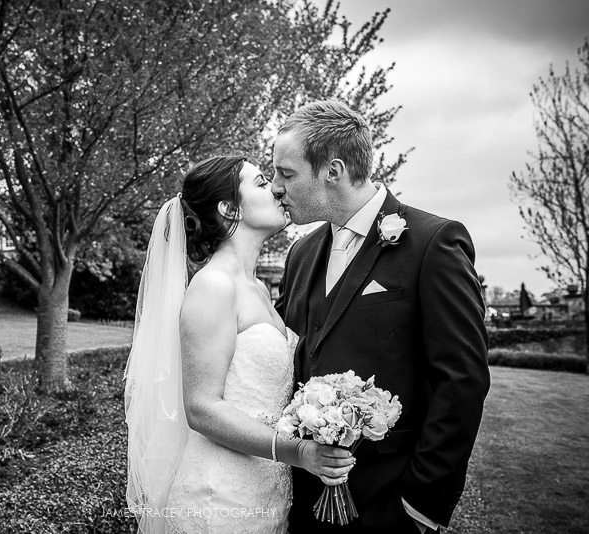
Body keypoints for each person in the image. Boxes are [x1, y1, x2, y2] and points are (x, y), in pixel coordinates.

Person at [271, 100, 491, 533]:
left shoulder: (433, 243)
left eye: (286, 173)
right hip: (300, 496)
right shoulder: (300, 253)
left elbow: (462, 378)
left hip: (389, 503)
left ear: (332, 171)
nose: (275, 186)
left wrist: (420, 505)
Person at [124, 155, 355, 534]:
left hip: (267, 489)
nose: (278, 189)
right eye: (262, 182)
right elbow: (201, 408)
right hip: (220, 497)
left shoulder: (260, 289)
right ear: (230, 208)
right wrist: (297, 452)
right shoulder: (214, 287)